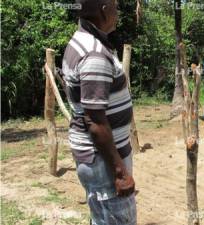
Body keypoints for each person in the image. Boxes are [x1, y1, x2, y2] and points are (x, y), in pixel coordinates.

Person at [62, 0, 136, 224]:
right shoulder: (94, 55)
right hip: (102, 162)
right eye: (115, 5)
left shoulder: (82, 42)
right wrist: (120, 172)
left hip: (96, 159)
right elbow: (95, 122)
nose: (118, 11)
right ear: (104, 11)